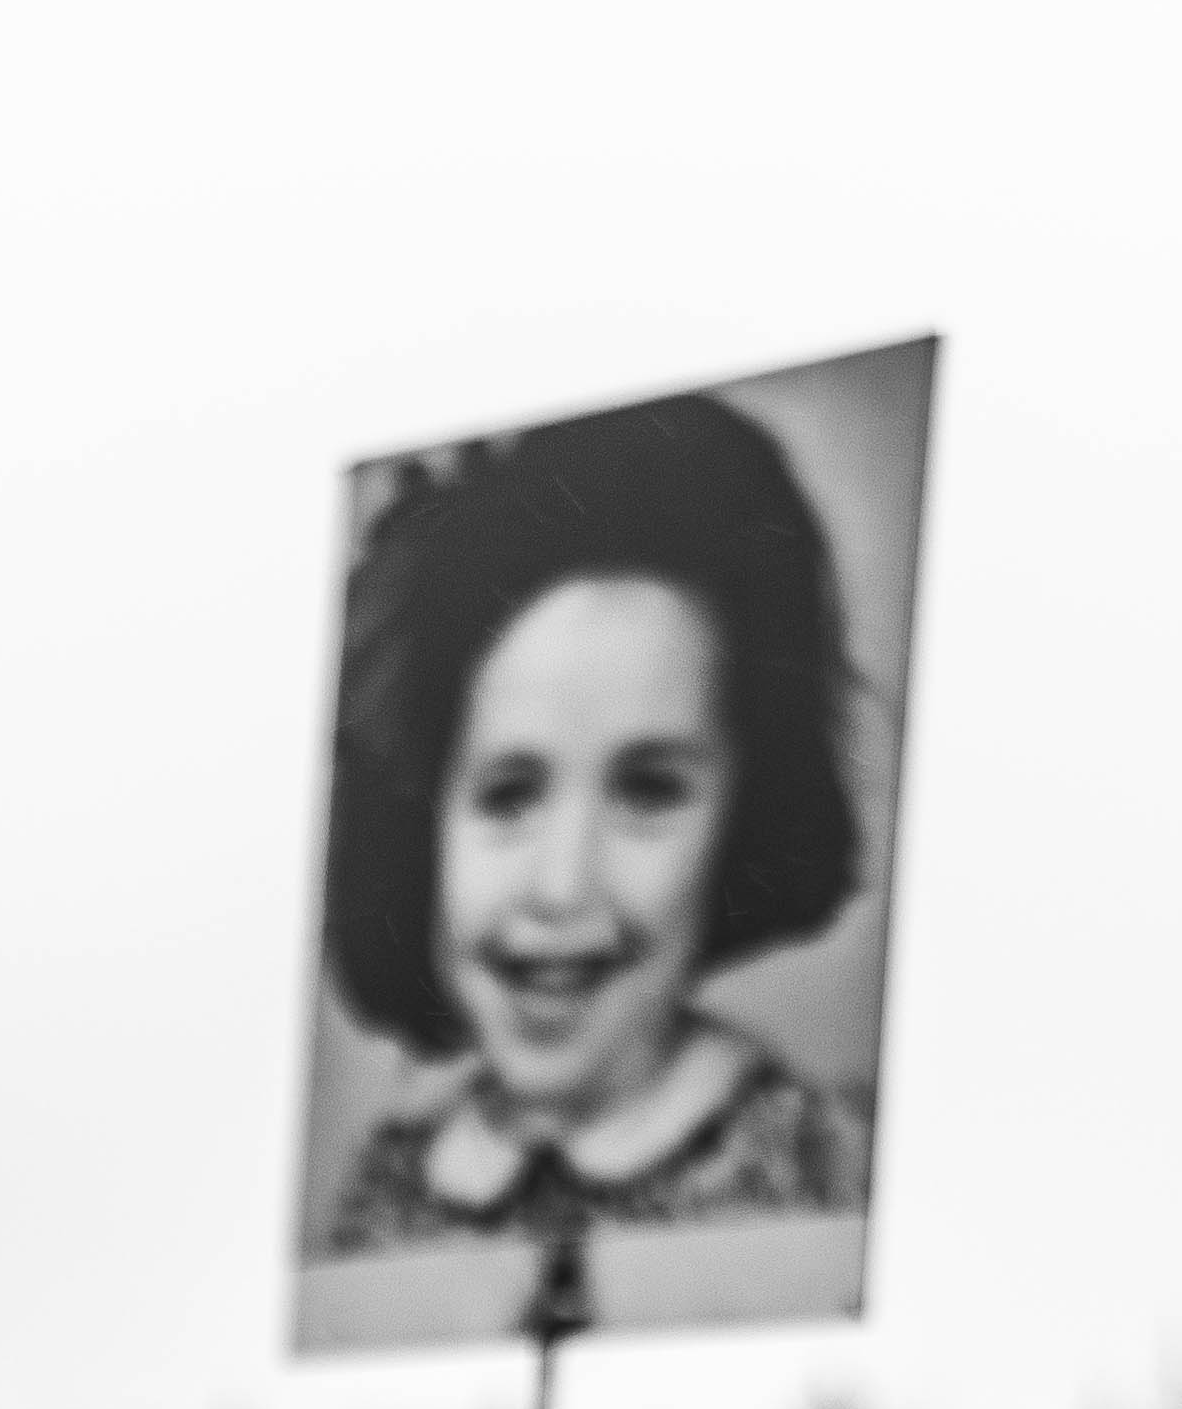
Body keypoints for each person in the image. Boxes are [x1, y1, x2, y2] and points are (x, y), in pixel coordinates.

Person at [316, 388, 871, 1253]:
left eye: (648, 791)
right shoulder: (387, 1192)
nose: (563, 886)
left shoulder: (817, 1167)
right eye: (508, 795)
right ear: (415, 829)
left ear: (748, 820)